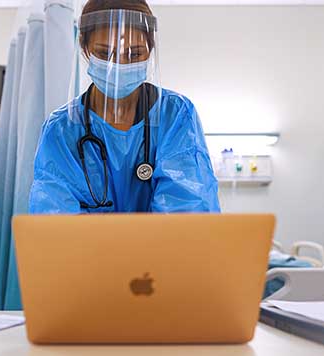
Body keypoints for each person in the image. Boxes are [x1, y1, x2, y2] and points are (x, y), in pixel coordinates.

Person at [29, 0, 220, 214]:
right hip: (87, 249)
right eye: (104, 54)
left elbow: (186, 211)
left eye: (134, 54)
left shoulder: (175, 115)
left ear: (150, 51)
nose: (119, 66)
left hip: (162, 248)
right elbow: (56, 222)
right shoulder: (62, 129)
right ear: (85, 49)